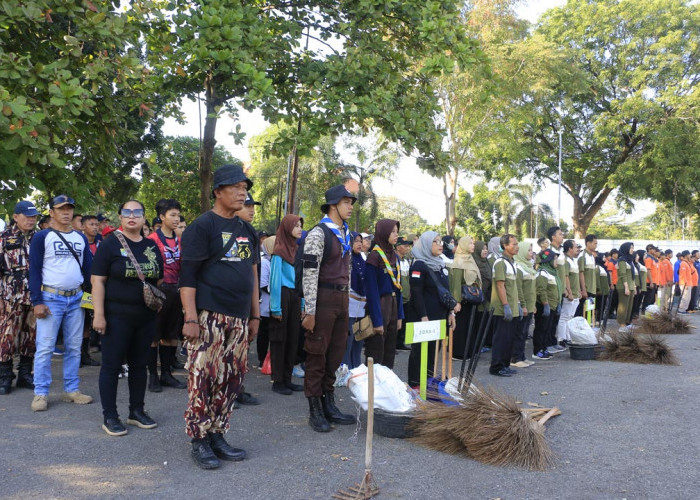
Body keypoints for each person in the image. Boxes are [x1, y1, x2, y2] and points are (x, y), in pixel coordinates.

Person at [179, 164, 260, 469]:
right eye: (236, 187)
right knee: (203, 378)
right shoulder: (203, 226)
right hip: (208, 316)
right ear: (218, 192)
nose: (243, 193)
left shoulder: (245, 230)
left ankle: (217, 432)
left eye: (245, 188)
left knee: (231, 378)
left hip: (239, 319)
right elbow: (187, 277)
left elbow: (251, 273)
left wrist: (255, 316)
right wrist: (190, 318)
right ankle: (199, 439)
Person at [91, 200, 164, 436]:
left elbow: (158, 280)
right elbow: (98, 281)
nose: (132, 216)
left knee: (139, 365)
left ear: (144, 218)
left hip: (145, 317)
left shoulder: (151, 246)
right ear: (120, 217)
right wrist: (99, 315)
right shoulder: (110, 244)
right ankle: (110, 416)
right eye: (127, 212)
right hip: (116, 316)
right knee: (111, 366)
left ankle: (136, 411)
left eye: (137, 212)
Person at [300, 185, 357, 433]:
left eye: (351, 202)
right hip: (322, 299)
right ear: (333, 205)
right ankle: (315, 408)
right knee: (316, 354)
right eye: (346, 202)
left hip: (342, 300)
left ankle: (328, 402)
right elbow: (309, 274)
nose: (350, 206)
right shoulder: (318, 233)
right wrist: (309, 310)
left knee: (335, 354)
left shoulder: (347, 234)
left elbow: (349, 270)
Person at [29, 195, 93, 411]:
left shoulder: (80, 238)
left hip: (76, 298)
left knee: (74, 346)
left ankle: (71, 390)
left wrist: (91, 297)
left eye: (69, 209)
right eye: (61, 209)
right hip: (50, 299)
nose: (66, 212)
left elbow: (88, 270)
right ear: (52, 213)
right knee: (45, 348)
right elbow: (34, 271)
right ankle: (40, 394)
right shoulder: (42, 237)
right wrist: (37, 301)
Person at [406, 231, 458, 386]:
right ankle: (415, 385)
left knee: (433, 352)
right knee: (419, 352)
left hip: (439, 316)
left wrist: (451, 312)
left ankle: (428, 384)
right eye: (436, 242)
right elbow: (416, 293)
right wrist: (423, 316)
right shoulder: (419, 265)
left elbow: (445, 291)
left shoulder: (440, 264)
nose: (440, 245)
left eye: (441, 241)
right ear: (427, 245)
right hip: (424, 317)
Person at [146, 199, 186, 392]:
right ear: (161, 217)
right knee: (154, 335)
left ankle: (167, 374)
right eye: (172, 215)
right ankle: (153, 376)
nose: (176, 219)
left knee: (171, 335)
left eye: (178, 215)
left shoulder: (180, 239)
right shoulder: (152, 239)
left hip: (176, 291)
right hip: (158, 291)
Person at [0, 201, 39, 394]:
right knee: (6, 336)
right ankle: (5, 376)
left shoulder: (40, 238)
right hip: (9, 295)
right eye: (27, 216)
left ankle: (25, 374)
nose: (31, 220)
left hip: (35, 295)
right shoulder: (4, 238)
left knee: (30, 336)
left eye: (33, 216)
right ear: (16, 217)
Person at [269, 214, 304, 395]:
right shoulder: (279, 250)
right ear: (287, 227)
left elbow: (302, 279)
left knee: (293, 339)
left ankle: (288, 379)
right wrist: (275, 307)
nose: (299, 229)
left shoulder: (298, 250)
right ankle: (278, 380)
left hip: (295, 296)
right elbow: (274, 280)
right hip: (282, 294)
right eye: (296, 225)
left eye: (300, 225)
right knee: (279, 339)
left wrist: (303, 303)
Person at [364, 219, 404, 369]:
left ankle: (387, 385)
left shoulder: (395, 257)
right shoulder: (374, 257)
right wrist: (377, 320)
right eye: (392, 231)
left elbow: (399, 288)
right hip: (380, 305)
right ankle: (371, 388)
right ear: (384, 232)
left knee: (389, 350)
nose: (396, 235)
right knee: (376, 350)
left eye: (397, 232)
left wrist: (400, 315)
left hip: (393, 305)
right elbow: (372, 292)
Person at [489, 234, 521, 377]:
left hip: (512, 307)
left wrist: (518, 304)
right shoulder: (500, 263)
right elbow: (500, 286)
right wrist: (506, 305)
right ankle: (496, 367)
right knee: (501, 339)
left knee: (509, 339)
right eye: (513, 244)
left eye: (517, 244)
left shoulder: (512, 262)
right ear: (504, 246)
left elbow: (513, 287)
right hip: (502, 309)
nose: (517, 246)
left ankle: (505, 365)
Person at [448, 236, 482, 360]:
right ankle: (458, 353)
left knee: (470, 326)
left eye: (473, 243)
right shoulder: (458, 262)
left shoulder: (471, 260)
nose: (473, 245)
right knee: (461, 326)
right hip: (462, 300)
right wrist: (456, 302)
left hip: (472, 298)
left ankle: (469, 351)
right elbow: (456, 284)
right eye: (470, 243)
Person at [80, 215, 101, 367]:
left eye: (96, 224)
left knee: (91, 322)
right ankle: (78, 354)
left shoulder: (102, 243)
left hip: (98, 287)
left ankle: (86, 354)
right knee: (81, 322)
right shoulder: (79, 243)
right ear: (82, 226)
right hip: (83, 287)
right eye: (91, 224)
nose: (95, 227)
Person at [534, 248, 561, 359]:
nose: (557, 262)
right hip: (544, 306)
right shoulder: (543, 273)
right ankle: (537, 351)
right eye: (554, 259)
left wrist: (558, 303)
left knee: (547, 329)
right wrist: (545, 304)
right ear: (548, 261)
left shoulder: (553, 273)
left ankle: (544, 348)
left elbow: (557, 290)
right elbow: (541, 290)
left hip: (552, 306)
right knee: (541, 328)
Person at [343, 233, 366, 369]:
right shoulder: (346, 259)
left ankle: (356, 365)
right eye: (355, 241)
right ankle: (345, 366)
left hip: (361, 304)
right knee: (348, 337)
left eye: (360, 241)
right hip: (350, 302)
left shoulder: (362, 259)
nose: (358, 244)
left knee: (359, 336)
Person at [512, 241, 535, 368]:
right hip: (523, 305)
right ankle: (515, 358)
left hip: (530, 305)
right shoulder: (519, 267)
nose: (531, 252)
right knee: (519, 333)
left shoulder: (528, 267)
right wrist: (523, 305)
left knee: (525, 332)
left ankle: (522, 356)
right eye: (529, 250)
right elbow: (519, 289)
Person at [555, 240, 579, 348]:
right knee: (564, 317)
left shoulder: (572, 260)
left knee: (570, 317)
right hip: (570, 294)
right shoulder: (565, 260)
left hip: (575, 293)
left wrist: (578, 291)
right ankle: (561, 339)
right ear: (569, 249)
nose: (577, 249)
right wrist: (569, 292)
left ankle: (568, 337)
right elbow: (566, 277)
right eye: (575, 247)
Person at [257, 235, 275, 369]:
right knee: (264, 333)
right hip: (265, 304)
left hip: (274, 304)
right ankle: (261, 358)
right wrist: (277, 293)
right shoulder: (264, 262)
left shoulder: (276, 261)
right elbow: (263, 284)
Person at [394, 236, 413, 351]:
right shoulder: (394, 260)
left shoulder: (406, 260)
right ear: (397, 247)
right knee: (396, 321)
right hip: (398, 296)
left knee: (404, 321)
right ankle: (393, 344)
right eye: (405, 246)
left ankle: (400, 342)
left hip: (407, 297)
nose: (407, 248)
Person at [473, 240, 492, 351]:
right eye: (483, 249)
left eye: (486, 248)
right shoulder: (474, 262)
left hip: (487, 297)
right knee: (478, 322)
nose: (485, 251)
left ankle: (483, 344)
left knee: (484, 321)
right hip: (479, 298)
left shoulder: (486, 262)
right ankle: (477, 345)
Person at [575, 235, 598, 319]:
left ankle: (588, 328)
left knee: (589, 312)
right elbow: (581, 273)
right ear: (588, 243)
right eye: (594, 243)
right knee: (581, 313)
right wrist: (583, 290)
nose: (596, 245)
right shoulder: (582, 255)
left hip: (592, 289)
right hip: (586, 290)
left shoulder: (592, 256)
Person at [616, 242, 637, 328]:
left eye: (633, 248)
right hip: (624, 286)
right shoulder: (622, 260)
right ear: (626, 249)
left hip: (631, 286)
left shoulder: (630, 260)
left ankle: (626, 322)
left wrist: (634, 287)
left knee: (629, 306)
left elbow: (632, 275)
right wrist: (626, 287)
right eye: (631, 248)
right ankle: (621, 324)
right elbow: (622, 274)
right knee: (623, 306)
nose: (632, 250)